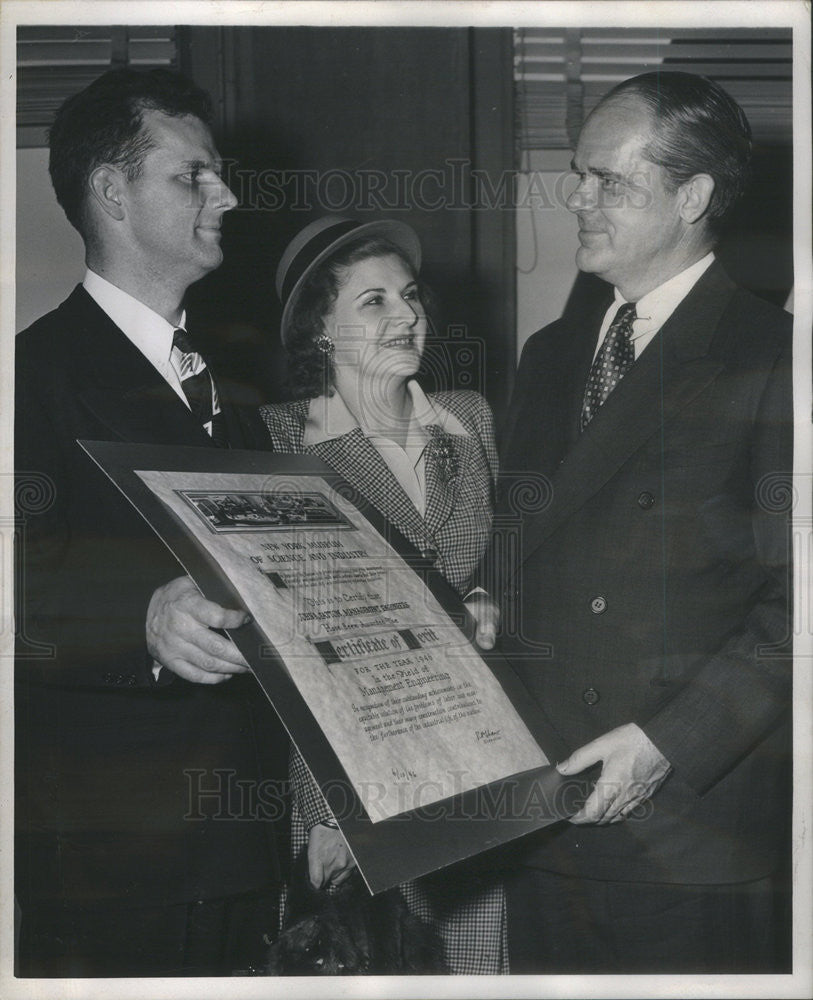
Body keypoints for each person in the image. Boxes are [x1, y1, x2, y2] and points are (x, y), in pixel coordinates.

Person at [497, 71, 793, 973]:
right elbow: (518, 547)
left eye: (609, 182)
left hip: (689, 828)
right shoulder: (548, 356)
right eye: (577, 173)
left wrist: (669, 744)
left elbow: (801, 608)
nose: (576, 198)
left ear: (693, 197)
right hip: (545, 815)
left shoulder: (773, 354)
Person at [15, 68, 287, 976]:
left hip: (239, 848)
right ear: (112, 194)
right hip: (109, 864)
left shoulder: (232, 394)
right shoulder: (31, 375)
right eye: (193, 176)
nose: (228, 196)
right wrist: (139, 620)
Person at [261, 215, 505, 973]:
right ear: (317, 334)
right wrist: (331, 810)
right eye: (372, 302)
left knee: (470, 964)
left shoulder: (467, 418)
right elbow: (286, 634)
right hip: (352, 769)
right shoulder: (280, 441)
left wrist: (490, 600)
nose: (407, 315)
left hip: (473, 759)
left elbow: (498, 558)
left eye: (409, 295)